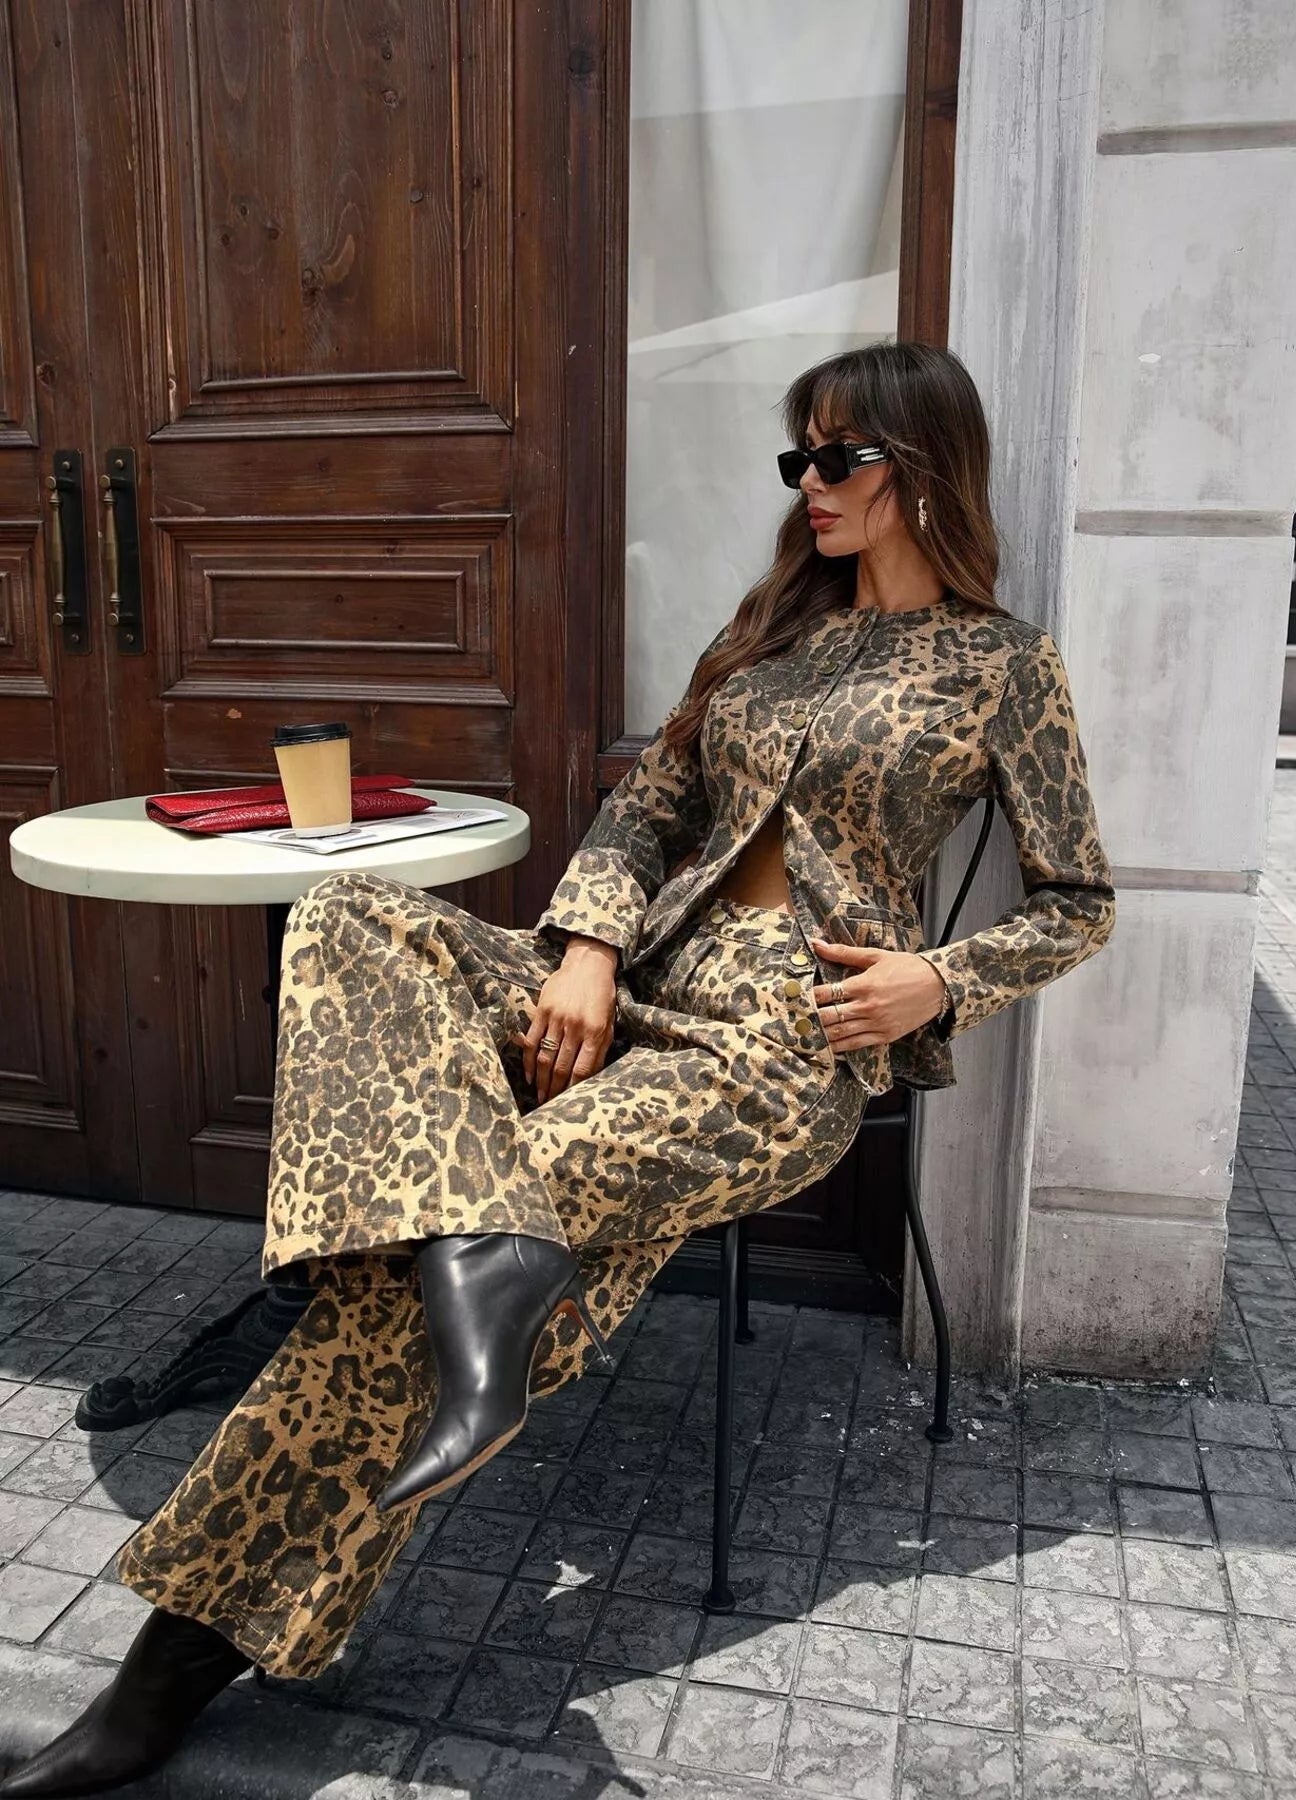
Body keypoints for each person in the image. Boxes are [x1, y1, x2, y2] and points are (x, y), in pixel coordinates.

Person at [0, 340, 1116, 1796]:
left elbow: (1078, 897)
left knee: (389, 1293)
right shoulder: (766, 636)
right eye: (800, 460)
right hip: (630, 984)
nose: (809, 485)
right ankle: (492, 1272)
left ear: (919, 467)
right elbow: (644, 812)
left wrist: (937, 980)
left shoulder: (998, 661)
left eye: (837, 458)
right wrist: (583, 953)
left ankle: (157, 1688)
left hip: (779, 1045)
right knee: (349, 911)